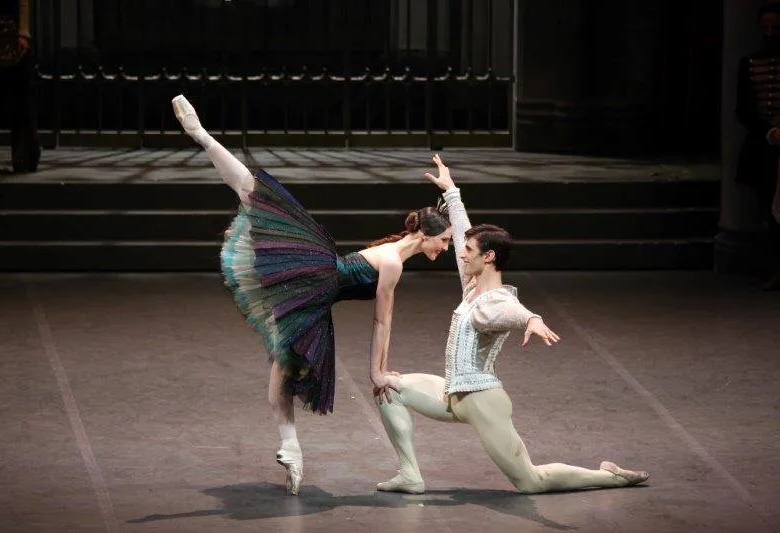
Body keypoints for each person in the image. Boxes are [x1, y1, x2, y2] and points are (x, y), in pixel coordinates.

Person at [171, 95, 452, 495]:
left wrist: (453, 193)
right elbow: (382, 321)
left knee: (281, 371)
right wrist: (377, 372)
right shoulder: (393, 262)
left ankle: (291, 448)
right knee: (256, 195)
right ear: (424, 235)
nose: (446, 248)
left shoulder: (394, 253)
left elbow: (384, 319)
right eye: (444, 240)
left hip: (317, 295)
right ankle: (201, 134)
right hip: (317, 278)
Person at [373, 154, 649, 495]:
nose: (461, 253)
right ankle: (410, 475)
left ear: (488, 257)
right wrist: (452, 192)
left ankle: (610, 476)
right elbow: (463, 234)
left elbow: (514, 311)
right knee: (389, 389)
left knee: (531, 481)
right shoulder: (472, 286)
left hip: (482, 401)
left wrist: (532, 319)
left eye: (469, 250)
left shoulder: (497, 301)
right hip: (453, 393)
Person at [736, 3, 780, 290]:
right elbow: (744, 110)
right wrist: (770, 131)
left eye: (775, 27)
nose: (770, 33)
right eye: (766, 27)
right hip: (765, 148)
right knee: (768, 212)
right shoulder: (750, 63)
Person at [0, 0, 40, 174]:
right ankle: (22, 158)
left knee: (10, 93)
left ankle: (22, 157)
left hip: (4, 29)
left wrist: (23, 31)